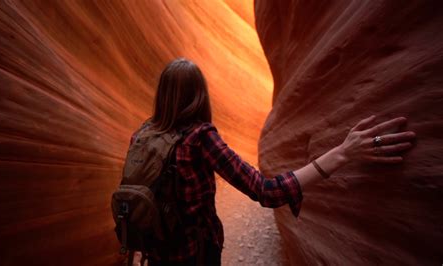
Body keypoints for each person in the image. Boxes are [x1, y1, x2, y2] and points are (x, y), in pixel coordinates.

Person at [131, 58, 416, 265]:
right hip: (195, 255)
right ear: (200, 95)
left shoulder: (142, 134)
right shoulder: (201, 138)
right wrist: (343, 152)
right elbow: (266, 191)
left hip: (157, 251)